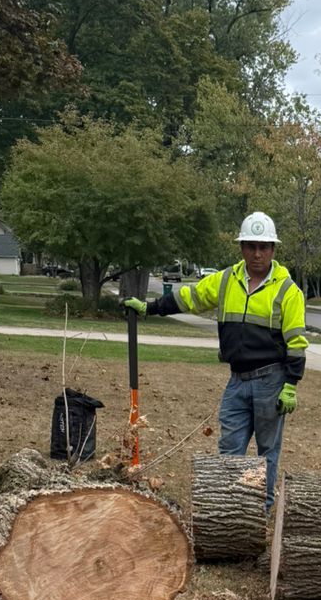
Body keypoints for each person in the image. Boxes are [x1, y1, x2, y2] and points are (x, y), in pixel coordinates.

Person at [124, 212, 308, 506]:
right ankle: (230, 510)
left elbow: (297, 342)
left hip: (271, 382)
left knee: (267, 453)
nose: (257, 253)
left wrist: (291, 384)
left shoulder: (288, 291)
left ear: (273, 250)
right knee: (230, 449)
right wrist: (151, 308)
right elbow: (190, 297)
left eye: (263, 247)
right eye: (250, 246)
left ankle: (262, 511)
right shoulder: (226, 280)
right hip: (236, 381)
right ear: (242, 248)